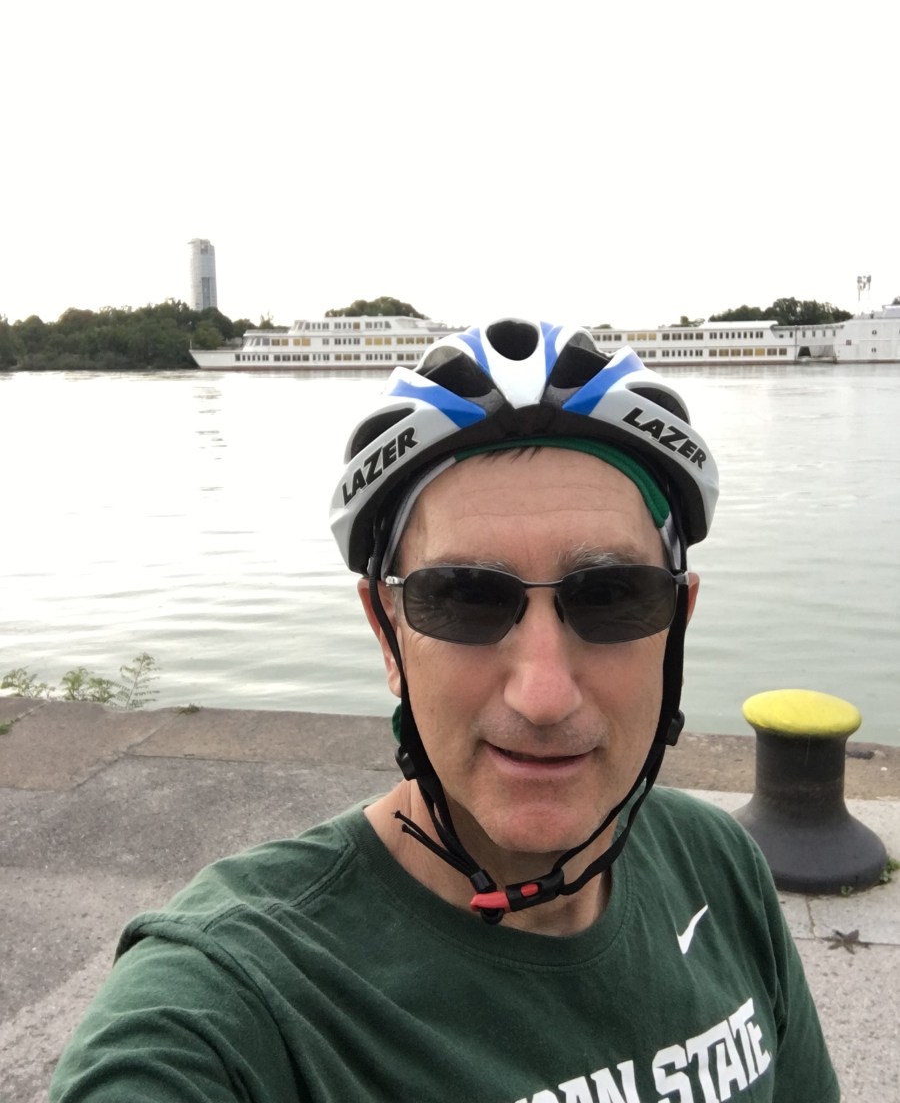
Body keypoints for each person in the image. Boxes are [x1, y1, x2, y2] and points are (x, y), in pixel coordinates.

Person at [51, 318, 838, 1102]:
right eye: (463, 599)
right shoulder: (245, 995)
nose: (543, 695)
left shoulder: (719, 865)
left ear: (678, 625)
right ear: (386, 633)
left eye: (612, 596)